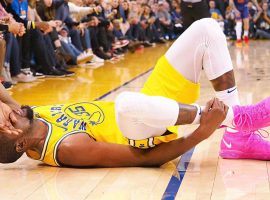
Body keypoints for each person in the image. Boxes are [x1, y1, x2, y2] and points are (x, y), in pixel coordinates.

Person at [1, 18, 270, 167]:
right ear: (21, 144)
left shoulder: (28, 116)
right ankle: (230, 118)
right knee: (126, 103)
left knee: (206, 29)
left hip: (151, 109)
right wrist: (203, 131)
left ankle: (237, 134)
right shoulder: (68, 148)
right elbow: (145, 158)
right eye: (9, 122)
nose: (11, 112)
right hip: (142, 137)